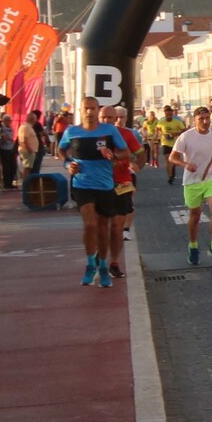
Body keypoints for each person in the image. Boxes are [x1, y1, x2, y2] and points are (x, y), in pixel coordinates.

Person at [58, 99, 131, 287]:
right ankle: (91, 264)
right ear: (81, 111)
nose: (89, 112)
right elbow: (60, 150)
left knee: (102, 227)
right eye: (86, 109)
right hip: (82, 184)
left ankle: (103, 266)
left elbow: (126, 153)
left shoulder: (109, 131)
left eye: (93, 108)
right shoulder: (72, 132)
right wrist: (67, 164)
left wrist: (113, 156)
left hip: (105, 185)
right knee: (90, 223)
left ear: (97, 110)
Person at [170, 106, 212, 263]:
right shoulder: (186, 137)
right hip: (192, 180)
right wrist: (185, 164)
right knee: (194, 217)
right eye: (201, 119)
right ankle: (193, 246)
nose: (205, 122)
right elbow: (172, 157)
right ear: (194, 120)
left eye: (207, 118)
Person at [103, 104, 145, 277]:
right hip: (100, 185)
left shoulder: (128, 134)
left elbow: (141, 154)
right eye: (103, 118)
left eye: (111, 118)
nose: (109, 121)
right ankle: (99, 260)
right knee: (102, 226)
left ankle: (114, 262)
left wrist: (137, 166)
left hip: (123, 182)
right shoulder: (93, 135)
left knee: (117, 226)